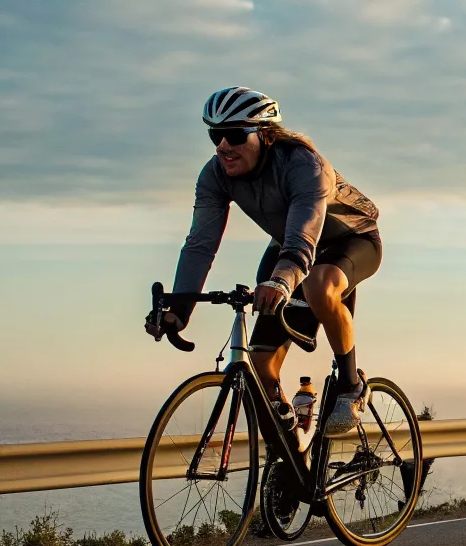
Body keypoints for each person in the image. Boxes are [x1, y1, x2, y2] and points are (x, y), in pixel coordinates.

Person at [146, 87, 382, 435]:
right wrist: (179, 310)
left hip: (351, 240)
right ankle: (291, 452)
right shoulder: (215, 175)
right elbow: (199, 246)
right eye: (215, 135)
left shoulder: (305, 165)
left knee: (319, 284)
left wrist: (281, 280)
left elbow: (304, 233)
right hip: (288, 244)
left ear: (266, 135)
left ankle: (351, 387)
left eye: (235, 135)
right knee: (260, 366)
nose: (222, 146)